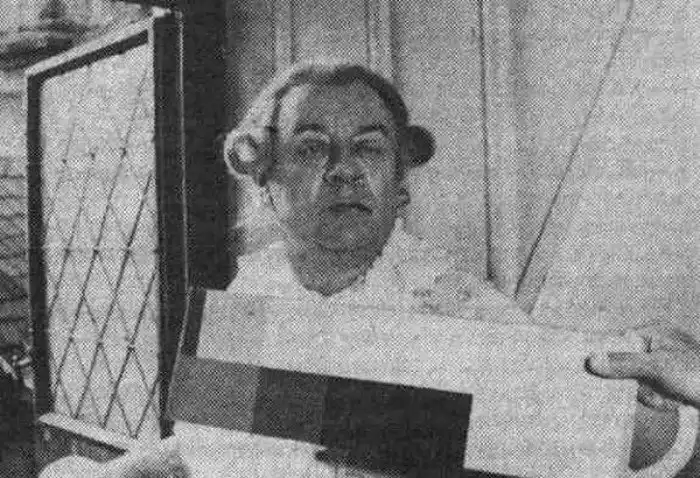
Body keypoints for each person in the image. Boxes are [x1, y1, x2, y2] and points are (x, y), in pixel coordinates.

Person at [39, 61, 700, 477]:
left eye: (369, 148)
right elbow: (213, 447)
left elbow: (640, 448)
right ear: (264, 177)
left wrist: (661, 397)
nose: (345, 169)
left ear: (399, 183)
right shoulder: (254, 293)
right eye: (312, 147)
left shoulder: (454, 312)